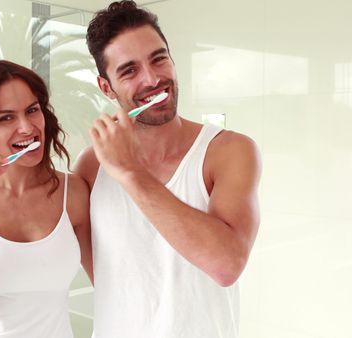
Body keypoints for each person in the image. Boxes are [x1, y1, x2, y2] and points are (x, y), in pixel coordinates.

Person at [73, 1, 262, 337]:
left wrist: (130, 172)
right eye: (129, 71)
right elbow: (105, 274)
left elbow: (226, 266)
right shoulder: (90, 166)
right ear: (106, 88)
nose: (153, 78)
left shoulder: (228, 151)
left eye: (159, 58)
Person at [0, 59, 93, 338]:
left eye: (32, 110)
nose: (26, 127)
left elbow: (109, 283)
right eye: (6, 117)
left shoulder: (74, 192)